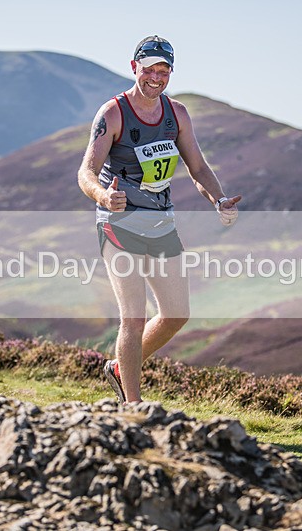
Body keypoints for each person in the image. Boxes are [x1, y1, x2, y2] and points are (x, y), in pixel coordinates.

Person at [77, 35, 241, 403]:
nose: (155, 77)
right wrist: (103, 195)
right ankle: (133, 407)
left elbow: (198, 167)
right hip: (118, 224)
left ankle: (120, 368)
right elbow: (86, 172)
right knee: (133, 319)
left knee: (176, 314)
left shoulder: (176, 114)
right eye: (148, 69)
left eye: (163, 70)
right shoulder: (113, 113)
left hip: (160, 223)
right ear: (134, 67)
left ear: (170, 72)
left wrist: (218, 199)